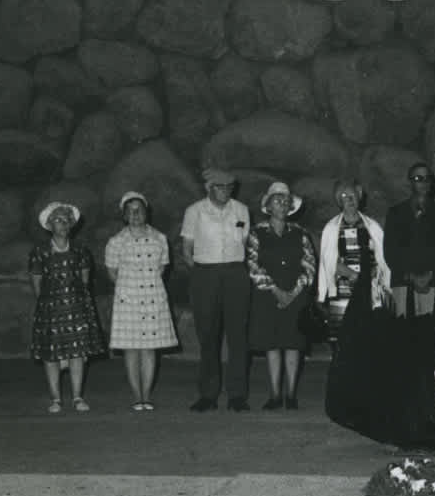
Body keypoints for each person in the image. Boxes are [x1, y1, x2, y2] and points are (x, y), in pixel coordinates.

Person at [181, 167, 251, 412]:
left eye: (229, 187)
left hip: (235, 273)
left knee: (238, 337)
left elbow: (244, 242)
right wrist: (203, 272)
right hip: (206, 273)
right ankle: (208, 395)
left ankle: (237, 395)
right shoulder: (194, 211)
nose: (225, 192)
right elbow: (187, 249)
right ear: (209, 188)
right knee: (208, 335)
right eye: (220, 187)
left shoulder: (241, 210)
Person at [104, 191, 177, 411]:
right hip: (129, 300)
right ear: (124, 215)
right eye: (130, 211)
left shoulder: (159, 238)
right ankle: (137, 396)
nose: (135, 214)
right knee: (131, 349)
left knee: (149, 349)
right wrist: (130, 290)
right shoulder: (116, 241)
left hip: (153, 298)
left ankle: (147, 396)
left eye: (139, 210)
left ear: (147, 212)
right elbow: (112, 273)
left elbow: (162, 268)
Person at [29, 202, 105, 413]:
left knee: (77, 354)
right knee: (51, 355)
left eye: (66, 220)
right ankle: (55, 399)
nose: (63, 224)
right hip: (50, 309)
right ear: (49, 225)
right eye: (58, 220)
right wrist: (47, 305)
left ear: (72, 224)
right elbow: (36, 282)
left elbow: (84, 281)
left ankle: (78, 397)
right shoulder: (39, 252)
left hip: (76, 307)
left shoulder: (80, 250)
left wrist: (78, 302)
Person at [246, 182, 317, 410]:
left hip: (296, 296)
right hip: (268, 296)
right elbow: (252, 265)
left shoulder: (301, 234)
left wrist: (293, 292)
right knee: (273, 344)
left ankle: (291, 395)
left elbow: (309, 266)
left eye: (286, 201)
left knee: (293, 343)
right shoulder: (256, 233)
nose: (282, 203)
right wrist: (277, 291)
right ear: (267, 205)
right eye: (277, 199)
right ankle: (275, 395)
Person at [317, 179, 389, 350]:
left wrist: (376, 280)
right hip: (342, 291)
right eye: (344, 196)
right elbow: (328, 262)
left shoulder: (373, 227)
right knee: (341, 340)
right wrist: (352, 275)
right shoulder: (331, 228)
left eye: (352, 195)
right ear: (338, 201)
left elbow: (383, 259)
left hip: (370, 290)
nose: (349, 199)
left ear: (359, 196)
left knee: (368, 339)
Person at [383, 161, 435, 319]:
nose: (423, 182)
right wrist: (411, 276)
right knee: (404, 337)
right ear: (410, 182)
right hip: (403, 283)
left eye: (427, 178)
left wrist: (431, 276)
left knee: (431, 337)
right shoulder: (395, 213)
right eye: (418, 178)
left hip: (433, 285)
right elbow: (390, 252)